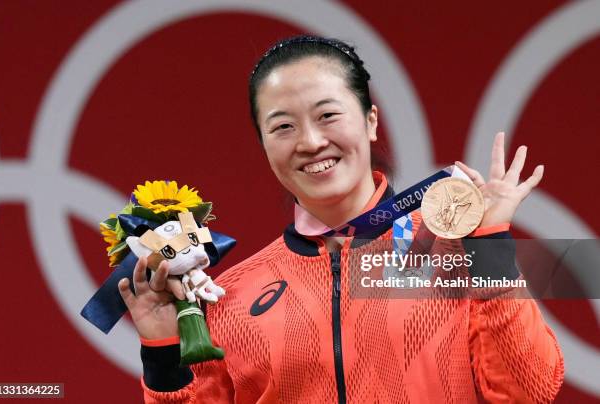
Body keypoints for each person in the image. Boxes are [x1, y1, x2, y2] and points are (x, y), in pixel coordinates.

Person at [117, 36, 564, 403]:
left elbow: (531, 389)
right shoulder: (231, 295)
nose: (311, 142)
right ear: (264, 145)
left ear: (370, 121)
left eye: (328, 115)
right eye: (283, 127)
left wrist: (490, 246)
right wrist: (162, 353)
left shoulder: (453, 253)